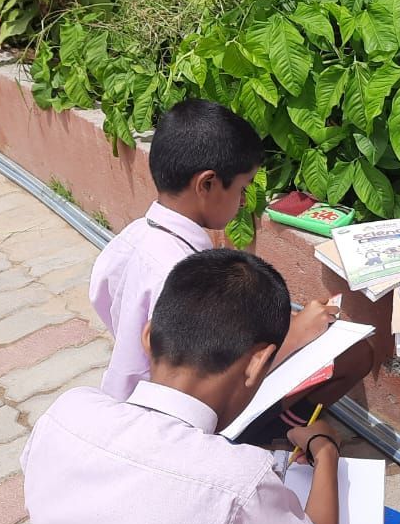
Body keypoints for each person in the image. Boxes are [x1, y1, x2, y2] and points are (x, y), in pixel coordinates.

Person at [22, 249, 400, 524]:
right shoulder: (235, 478)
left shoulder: (67, 413)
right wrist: (325, 451)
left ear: (149, 337)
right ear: (257, 363)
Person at [90, 99, 364, 415]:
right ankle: (275, 431)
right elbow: (214, 376)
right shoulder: (183, 276)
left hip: (131, 399)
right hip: (178, 415)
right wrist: (297, 334)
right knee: (355, 356)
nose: (245, 201)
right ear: (207, 184)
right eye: (242, 188)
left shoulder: (131, 238)